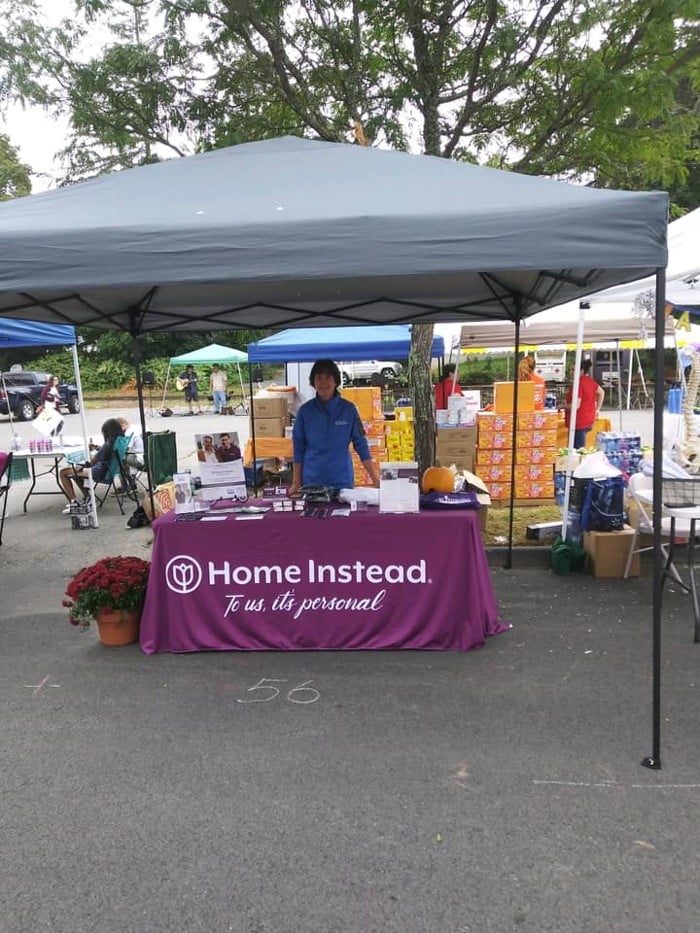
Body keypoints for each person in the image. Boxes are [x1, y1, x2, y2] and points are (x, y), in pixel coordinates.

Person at [289, 359, 379, 494]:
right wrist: (296, 483)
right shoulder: (304, 412)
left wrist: (375, 478)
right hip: (312, 483)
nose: (323, 382)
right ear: (313, 382)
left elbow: (361, 445)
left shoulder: (349, 410)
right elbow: (298, 448)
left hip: (342, 483)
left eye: (328, 377)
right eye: (319, 377)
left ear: (336, 381)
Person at [58, 418, 128, 513]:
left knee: (63, 472)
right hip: (108, 472)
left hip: (99, 471)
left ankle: (73, 503)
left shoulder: (107, 445)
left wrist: (81, 465)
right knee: (75, 474)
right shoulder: (120, 441)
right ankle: (88, 498)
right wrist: (98, 448)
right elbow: (107, 453)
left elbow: (91, 462)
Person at [565, 359, 605, 449]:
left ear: (582, 371)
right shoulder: (590, 381)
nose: (571, 372)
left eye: (573, 370)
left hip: (579, 422)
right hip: (588, 420)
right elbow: (602, 392)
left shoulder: (579, 384)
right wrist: (597, 409)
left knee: (577, 451)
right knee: (578, 449)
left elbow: (576, 406)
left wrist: (561, 406)